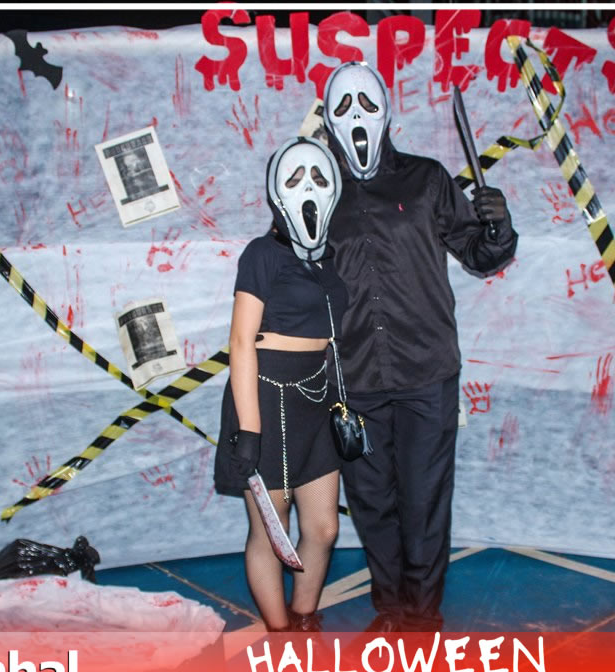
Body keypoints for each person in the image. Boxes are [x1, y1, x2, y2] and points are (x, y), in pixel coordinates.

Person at [322, 61, 519, 632]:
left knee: (424, 499)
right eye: (343, 106)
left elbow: (481, 254)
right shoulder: (317, 189)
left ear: (386, 112)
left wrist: (497, 226)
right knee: (371, 501)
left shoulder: (427, 180)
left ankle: (422, 618)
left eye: (366, 103)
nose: (356, 115)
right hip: (354, 376)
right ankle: (391, 610)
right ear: (328, 121)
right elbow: (293, 272)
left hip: (426, 371)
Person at [214, 137, 350, 632]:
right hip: (265, 396)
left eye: (317, 177)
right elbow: (241, 341)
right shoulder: (261, 254)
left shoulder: (330, 258)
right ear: (276, 191)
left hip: (314, 397)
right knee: (272, 532)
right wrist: (249, 430)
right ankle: (280, 633)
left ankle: (304, 616)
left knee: (323, 527)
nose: (307, 187)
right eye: (294, 178)